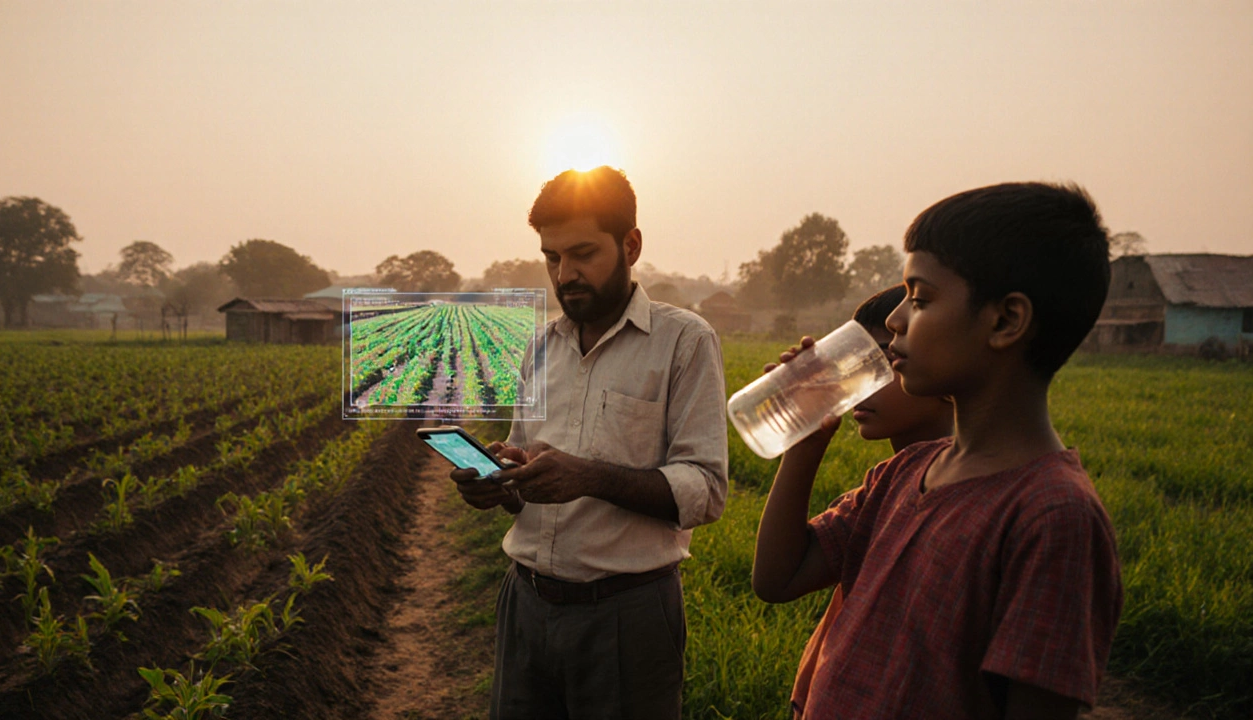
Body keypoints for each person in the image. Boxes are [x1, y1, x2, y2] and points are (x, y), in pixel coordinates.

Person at [751, 182, 1124, 719]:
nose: (898, 319)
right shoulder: (904, 473)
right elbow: (777, 579)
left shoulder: (1053, 516)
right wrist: (804, 446)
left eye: (920, 298)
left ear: (1005, 321)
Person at [449, 166, 729, 720]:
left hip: (626, 616)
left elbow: (706, 489)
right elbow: (525, 464)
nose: (565, 273)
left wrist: (590, 476)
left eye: (582, 254)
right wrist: (500, 481)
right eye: (551, 257)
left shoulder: (684, 342)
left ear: (631, 244)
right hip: (524, 603)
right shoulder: (541, 347)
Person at [756, 284, 955, 719]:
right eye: (855, 363)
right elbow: (775, 579)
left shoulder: (964, 494)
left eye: (884, 360)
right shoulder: (888, 484)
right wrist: (803, 445)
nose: (859, 384)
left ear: (947, 366)